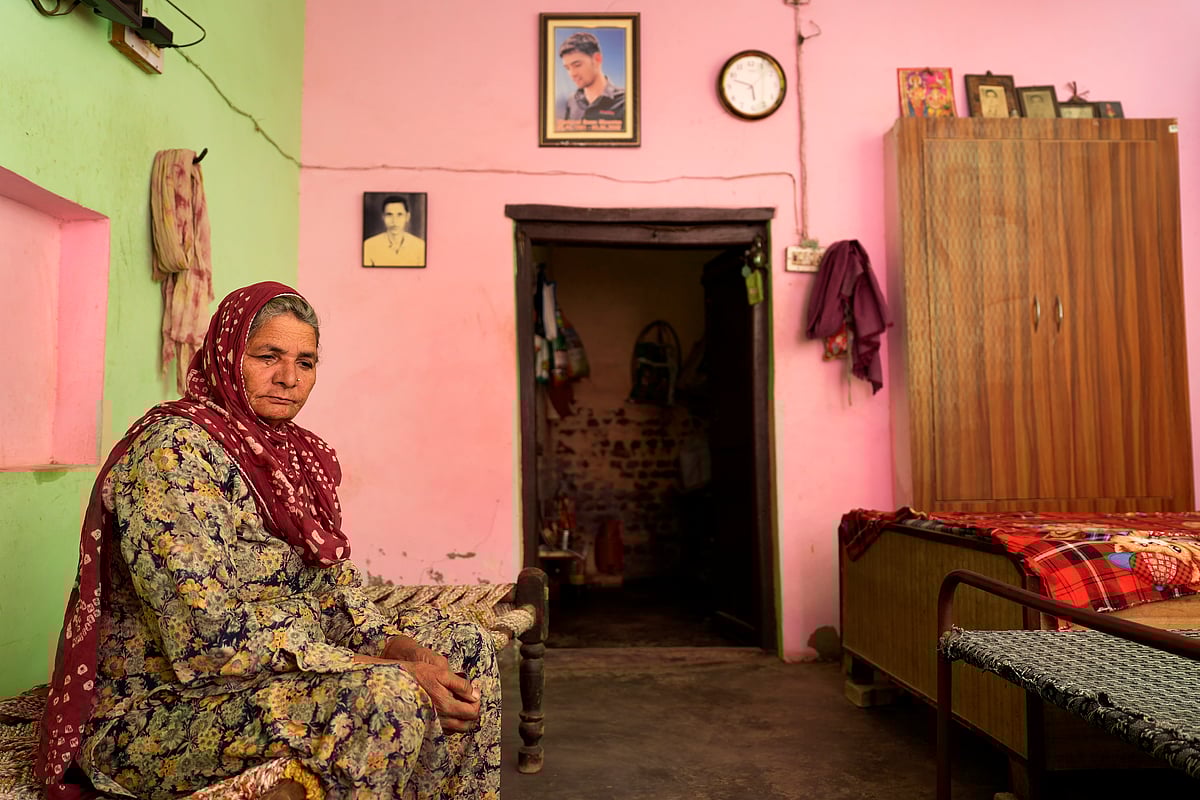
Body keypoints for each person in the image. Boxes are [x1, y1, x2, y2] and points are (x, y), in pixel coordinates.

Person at [36, 282, 499, 799]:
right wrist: (389, 669)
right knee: (388, 694)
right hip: (164, 707)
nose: (288, 379)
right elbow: (208, 640)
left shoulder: (293, 455)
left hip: (263, 678)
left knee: (463, 646)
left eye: (306, 362)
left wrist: (408, 651)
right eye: (268, 356)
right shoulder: (173, 455)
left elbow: (332, 594)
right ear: (227, 355)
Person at [556, 31, 625, 131]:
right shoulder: (571, 102)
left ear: (597, 59)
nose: (572, 74)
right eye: (567, 68)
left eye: (577, 65)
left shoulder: (625, 102)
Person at [363, 195, 426, 267]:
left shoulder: (420, 246)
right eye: (389, 215)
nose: (394, 221)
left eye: (399, 214)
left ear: (407, 217)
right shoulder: (369, 245)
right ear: (383, 217)